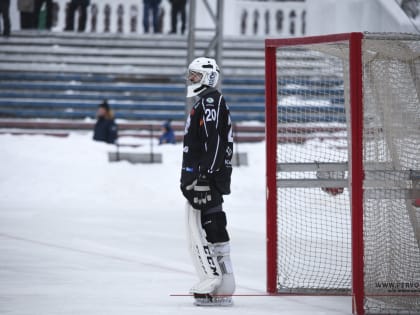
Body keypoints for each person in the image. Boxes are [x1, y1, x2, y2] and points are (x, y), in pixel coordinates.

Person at [180, 57, 235, 306]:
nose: (190, 80)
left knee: (212, 223)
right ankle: (220, 281)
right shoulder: (204, 102)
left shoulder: (211, 101)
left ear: (207, 77)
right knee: (203, 225)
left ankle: (222, 282)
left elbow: (214, 142)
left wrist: (204, 175)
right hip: (202, 175)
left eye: (194, 75)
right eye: (190, 75)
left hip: (208, 177)